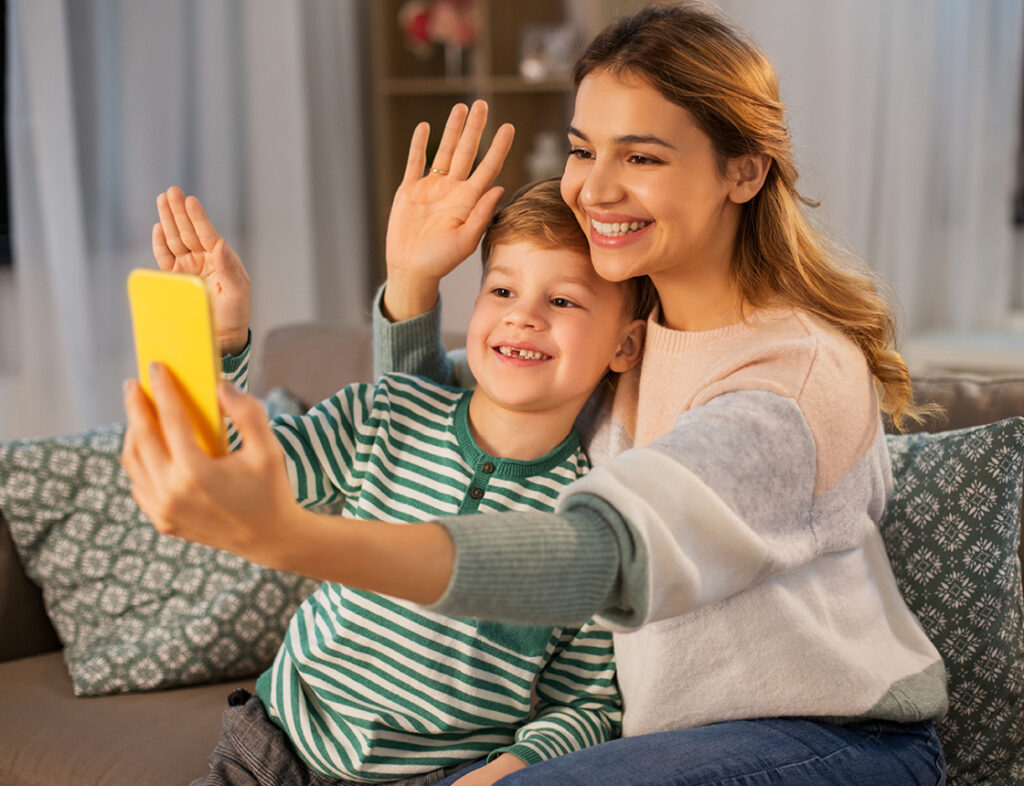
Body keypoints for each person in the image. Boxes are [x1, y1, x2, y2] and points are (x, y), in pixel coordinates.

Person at [125, 3, 948, 784]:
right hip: (667, 741)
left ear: (744, 170)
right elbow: (421, 420)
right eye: (584, 149)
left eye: (644, 156)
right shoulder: (615, 347)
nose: (592, 187)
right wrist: (410, 282)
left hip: (827, 738)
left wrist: (290, 537)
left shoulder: (792, 378)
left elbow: (599, 557)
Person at [129, 163, 653, 786]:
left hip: (435, 774)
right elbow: (237, 469)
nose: (523, 317)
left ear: (626, 345)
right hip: (276, 747)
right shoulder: (387, 410)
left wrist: (503, 773)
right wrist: (218, 339)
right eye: (502, 291)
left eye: (562, 301)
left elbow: (586, 704)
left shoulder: (587, 519)